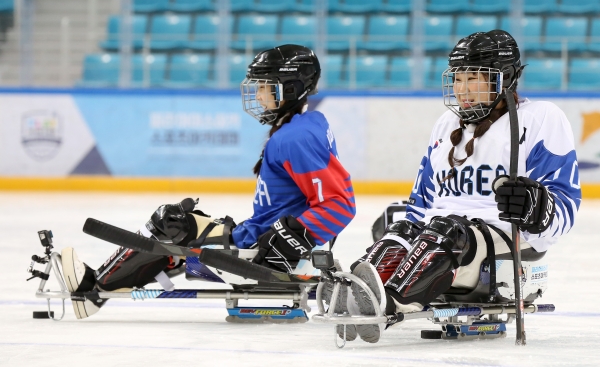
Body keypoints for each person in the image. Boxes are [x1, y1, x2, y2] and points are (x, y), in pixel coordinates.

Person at [61, 44, 356, 319]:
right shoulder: (304, 124)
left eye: (266, 88)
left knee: (168, 223)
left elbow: (340, 203)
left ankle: (94, 291)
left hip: (260, 248)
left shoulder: (296, 137)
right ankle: (148, 270)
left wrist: (289, 244)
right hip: (259, 234)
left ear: (291, 89)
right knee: (184, 226)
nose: (259, 96)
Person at [344, 30, 581, 343]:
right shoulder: (446, 124)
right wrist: (399, 232)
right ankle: (356, 292)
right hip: (443, 235)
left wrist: (535, 209)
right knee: (398, 225)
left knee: (446, 229)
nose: (462, 89)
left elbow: (565, 201)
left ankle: (387, 304)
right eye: (457, 78)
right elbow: (421, 200)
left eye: (473, 78)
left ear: (505, 77)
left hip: (504, 235)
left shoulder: (540, 118)